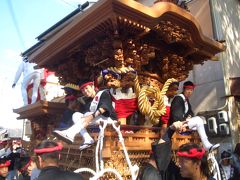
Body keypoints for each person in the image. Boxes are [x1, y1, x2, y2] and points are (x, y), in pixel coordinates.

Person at [53, 79, 117, 150]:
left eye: (86, 88)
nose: (85, 91)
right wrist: (87, 119)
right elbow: (84, 118)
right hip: (97, 122)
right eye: (83, 90)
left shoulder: (104, 93)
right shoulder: (87, 101)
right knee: (76, 115)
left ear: (92, 86)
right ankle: (87, 139)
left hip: (109, 121)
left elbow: (103, 108)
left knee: (88, 114)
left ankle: (70, 133)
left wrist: (90, 117)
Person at [169, 81, 219, 151]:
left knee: (202, 120)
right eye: (188, 89)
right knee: (198, 120)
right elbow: (176, 115)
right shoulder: (178, 98)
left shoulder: (186, 100)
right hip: (177, 124)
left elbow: (191, 113)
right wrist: (184, 121)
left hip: (184, 123)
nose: (189, 92)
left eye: (191, 90)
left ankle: (203, 143)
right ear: (184, 89)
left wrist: (189, 117)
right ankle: (206, 145)